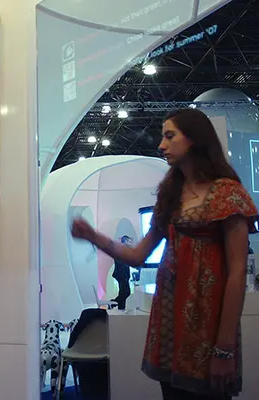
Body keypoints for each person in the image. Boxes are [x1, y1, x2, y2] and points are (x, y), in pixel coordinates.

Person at [72, 108, 256, 400]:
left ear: (194, 139)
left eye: (170, 136)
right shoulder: (171, 193)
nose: (161, 145)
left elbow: (236, 272)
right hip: (169, 322)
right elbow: (138, 255)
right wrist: (94, 236)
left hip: (208, 325)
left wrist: (225, 348)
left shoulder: (227, 193)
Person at [111, 235, 133, 310]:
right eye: (129, 242)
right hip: (121, 276)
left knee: (124, 293)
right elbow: (121, 265)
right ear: (125, 241)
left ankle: (120, 307)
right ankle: (113, 303)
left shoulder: (122, 251)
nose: (130, 244)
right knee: (125, 292)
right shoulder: (120, 251)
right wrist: (125, 277)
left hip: (123, 276)